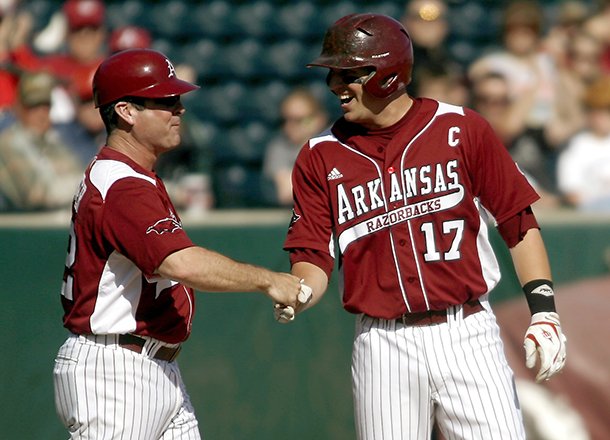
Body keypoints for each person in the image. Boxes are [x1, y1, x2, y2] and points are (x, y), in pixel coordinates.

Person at [276, 13, 567, 440]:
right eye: (333, 74)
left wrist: (545, 313)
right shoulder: (319, 155)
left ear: (389, 74)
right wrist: (301, 291)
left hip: (466, 330)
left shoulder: (460, 127)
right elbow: (313, 255)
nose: (336, 86)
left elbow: (517, 221)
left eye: (349, 73)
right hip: (383, 342)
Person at [52, 48, 307, 439]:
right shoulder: (122, 185)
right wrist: (268, 279)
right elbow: (181, 264)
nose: (179, 109)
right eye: (165, 101)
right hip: (115, 371)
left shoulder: (128, 175)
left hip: (149, 366)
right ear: (126, 111)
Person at [0, 71, 84, 211]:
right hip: (26, 228)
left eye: (45, 106)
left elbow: (82, 179)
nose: (41, 114)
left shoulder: (54, 141)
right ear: (19, 109)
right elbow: (36, 196)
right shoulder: (7, 145)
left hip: (59, 224)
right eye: (33, 107)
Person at [262, 87, 329, 206]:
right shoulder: (278, 148)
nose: (290, 126)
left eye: (299, 120)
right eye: (285, 120)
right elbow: (287, 193)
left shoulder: (335, 143)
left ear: (319, 119)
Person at [557, 75, 610, 211]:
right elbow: (572, 194)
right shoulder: (577, 146)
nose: (604, 117)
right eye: (601, 111)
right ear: (589, 113)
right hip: (592, 215)